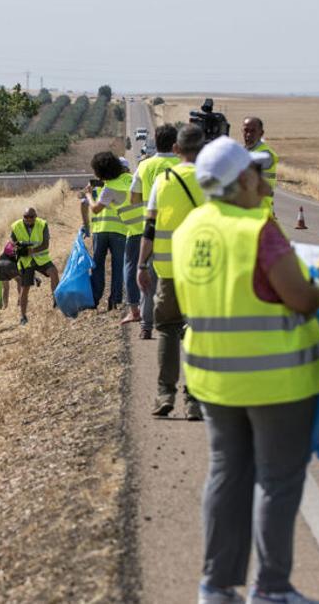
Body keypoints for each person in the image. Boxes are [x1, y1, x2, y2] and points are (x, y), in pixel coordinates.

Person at [174, 138, 319, 604]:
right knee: (277, 481)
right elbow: (302, 299)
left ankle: (216, 586)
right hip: (274, 382)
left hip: (212, 380)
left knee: (226, 475)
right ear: (242, 180)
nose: (265, 183)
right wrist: (318, 284)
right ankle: (271, 588)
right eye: (258, 174)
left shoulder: (189, 230)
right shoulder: (257, 230)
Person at [137, 124, 206, 419]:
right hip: (203, 271)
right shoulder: (213, 181)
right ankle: (195, 401)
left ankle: (165, 393)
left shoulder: (162, 181)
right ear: (203, 148)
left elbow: (149, 229)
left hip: (167, 270)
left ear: (176, 150)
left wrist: (141, 264)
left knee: (167, 329)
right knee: (200, 333)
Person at [122, 124, 179, 336]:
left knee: (147, 279)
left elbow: (133, 198)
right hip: (177, 231)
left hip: (151, 229)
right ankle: (178, 323)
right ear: (176, 143)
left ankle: (146, 326)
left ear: (156, 140)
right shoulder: (183, 164)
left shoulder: (145, 165)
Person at [82, 152, 133, 310]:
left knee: (97, 266)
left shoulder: (101, 185)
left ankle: (95, 299)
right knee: (118, 266)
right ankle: (115, 300)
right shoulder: (128, 183)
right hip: (120, 230)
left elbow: (85, 205)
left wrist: (86, 225)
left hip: (100, 230)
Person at [10, 207, 60, 325]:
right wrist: (18, 249)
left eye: (31, 217)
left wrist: (31, 250)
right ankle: (23, 316)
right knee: (25, 288)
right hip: (26, 262)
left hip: (41, 259)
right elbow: (12, 244)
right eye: (26, 217)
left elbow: (45, 244)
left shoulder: (42, 224)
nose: (28, 219)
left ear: (35, 217)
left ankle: (56, 301)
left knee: (54, 272)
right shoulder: (16, 226)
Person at [242, 117, 279, 210]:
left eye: (253, 131)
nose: (248, 134)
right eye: (246, 130)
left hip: (261, 212)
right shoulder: (243, 151)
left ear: (261, 133)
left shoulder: (266, 154)